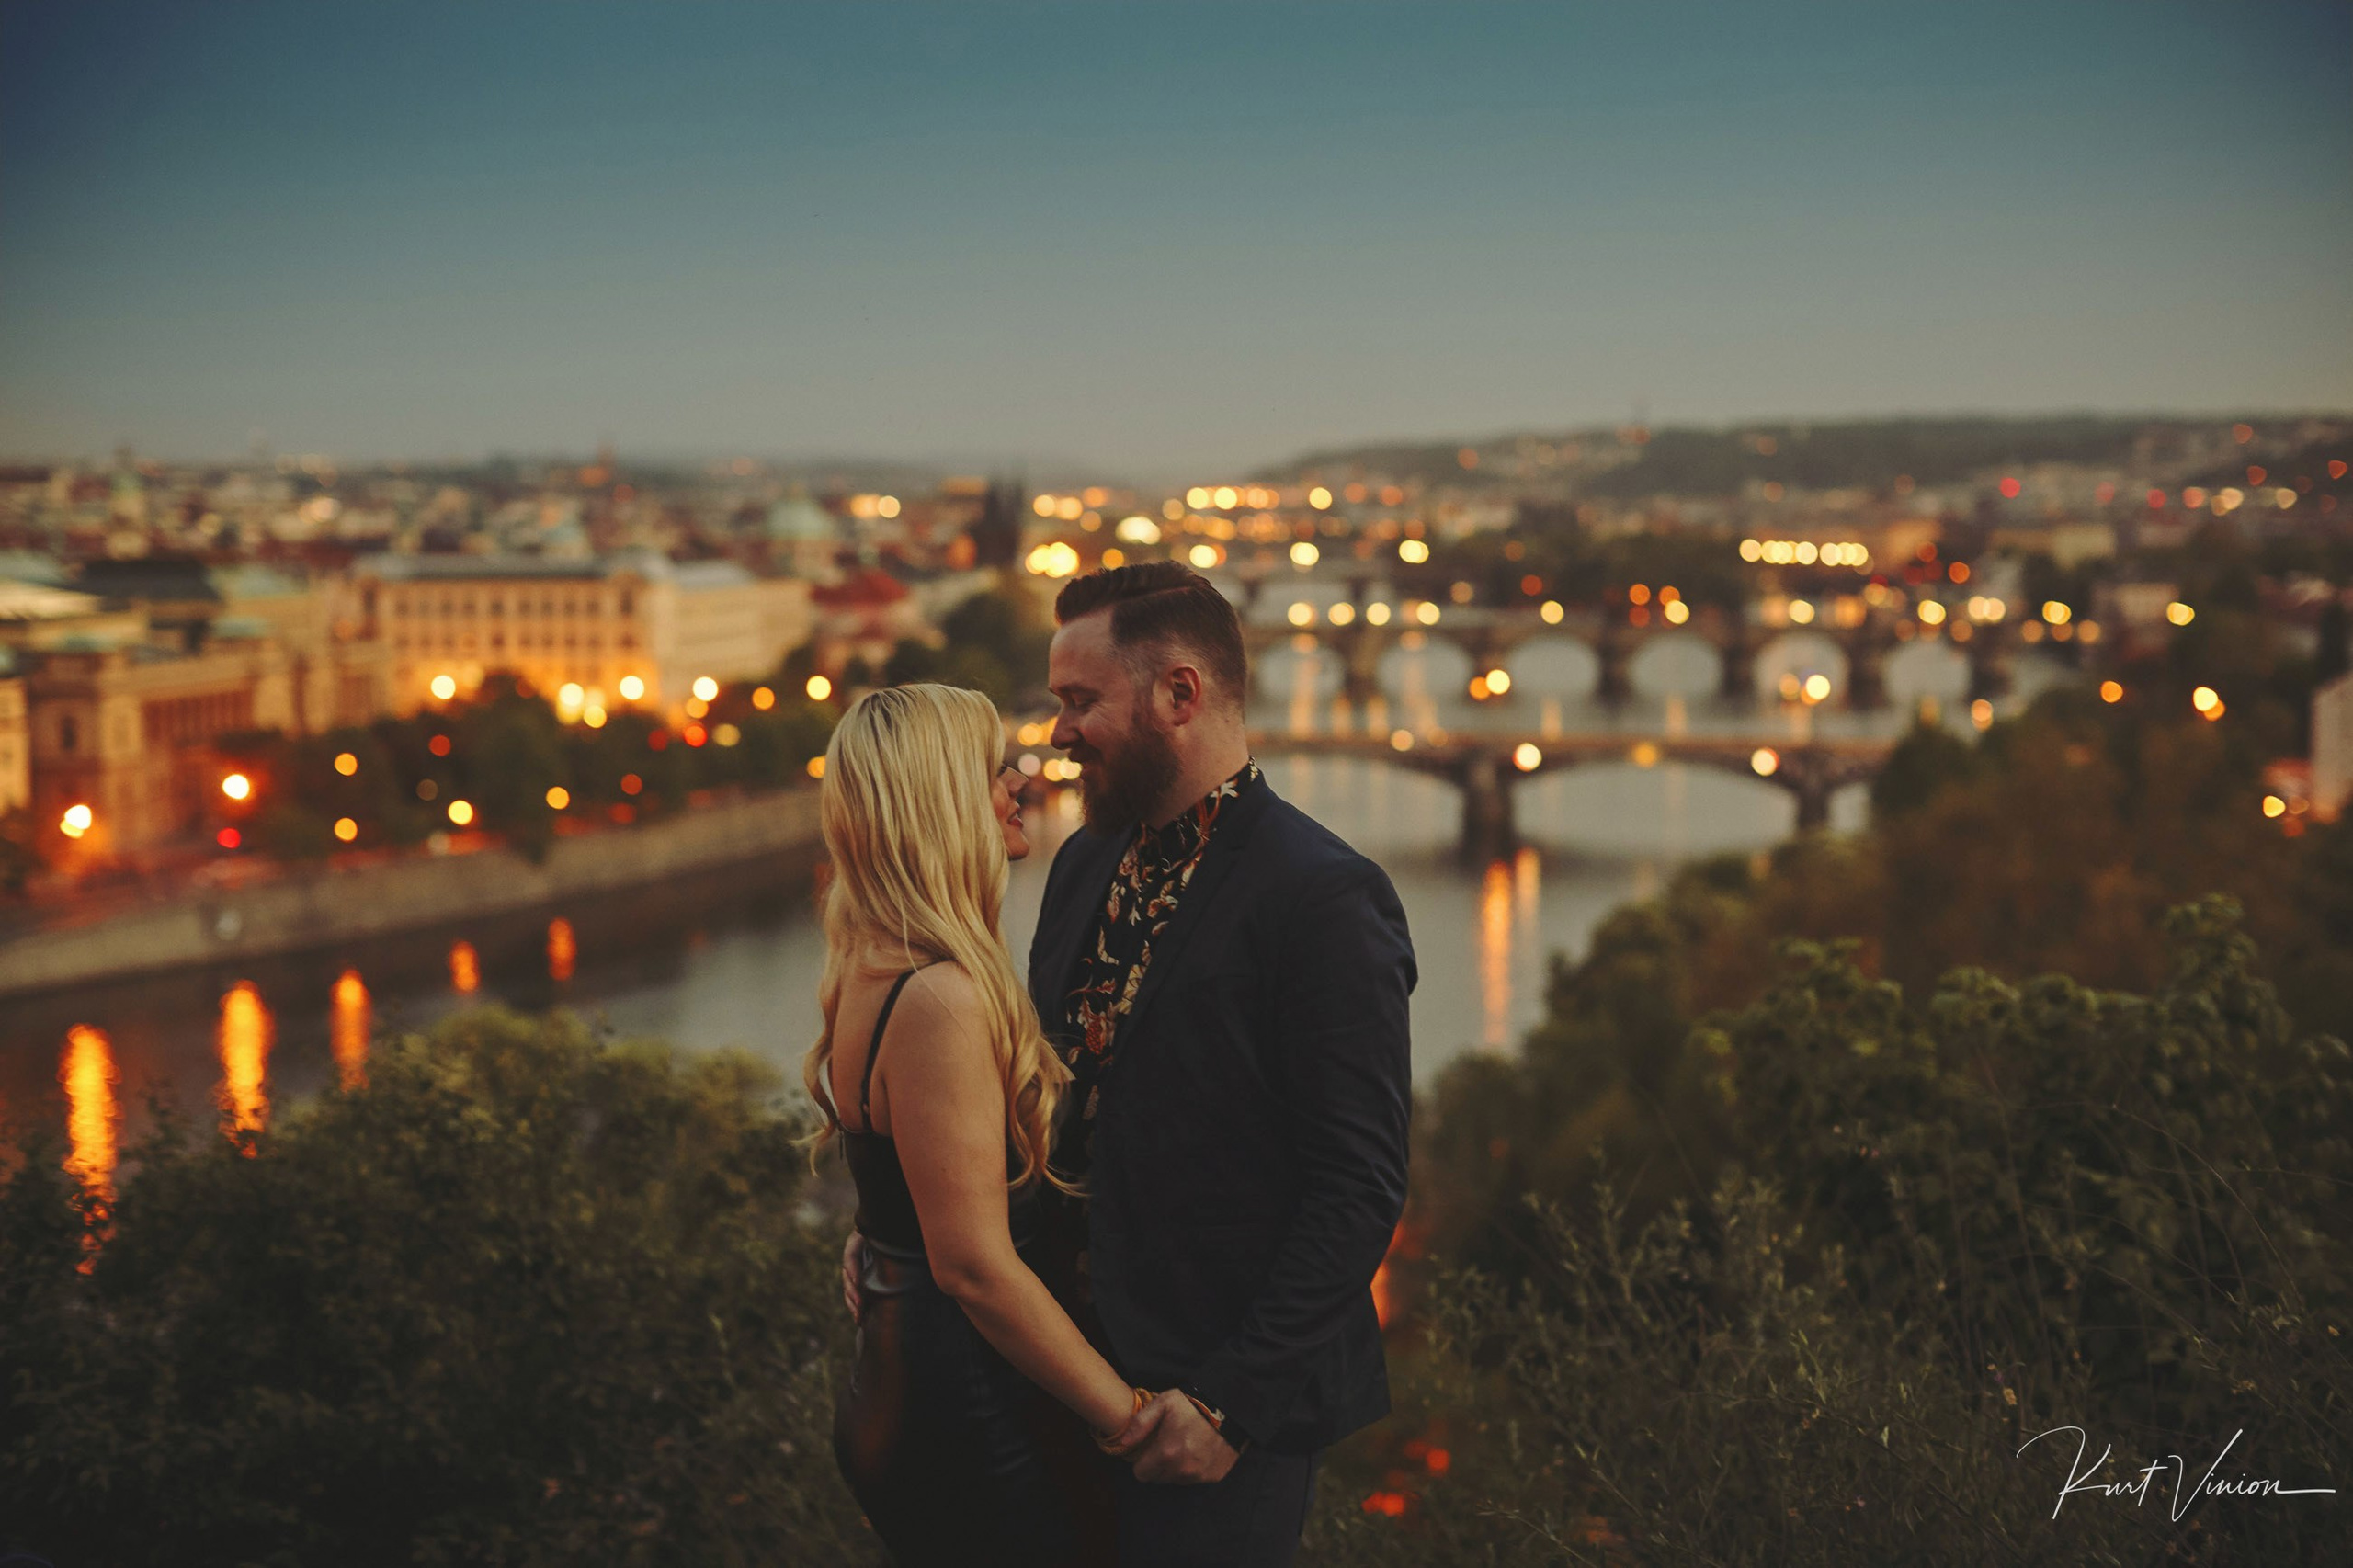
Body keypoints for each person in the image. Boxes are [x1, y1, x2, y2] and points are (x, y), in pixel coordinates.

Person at [848, 563, 1415, 1565]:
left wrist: (1227, 1404)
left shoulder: (1322, 896)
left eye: (1079, 701)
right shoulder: (1082, 862)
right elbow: (1046, 1111)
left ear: (1179, 694)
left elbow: (1358, 1186)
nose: (1056, 732)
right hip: (1063, 1381)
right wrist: (903, 1228)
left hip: (1213, 1416)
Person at [811, 683, 1166, 1568]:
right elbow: (973, 1266)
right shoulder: (941, 996)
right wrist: (1129, 1421)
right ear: (940, 800)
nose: (1019, 782)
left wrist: (874, 1238)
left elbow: (901, 1189)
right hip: (968, 1412)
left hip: (898, 1382)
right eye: (993, 768)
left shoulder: (871, 962)